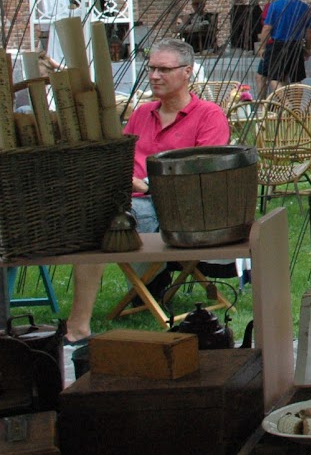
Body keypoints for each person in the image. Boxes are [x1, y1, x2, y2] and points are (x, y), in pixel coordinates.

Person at [65, 38, 231, 343]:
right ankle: (147, 284)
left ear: (187, 73)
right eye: (152, 68)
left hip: (180, 211)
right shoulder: (142, 114)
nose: (154, 75)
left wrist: (144, 185)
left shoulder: (209, 116)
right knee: (92, 216)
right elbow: (122, 162)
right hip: (130, 202)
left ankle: (79, 327)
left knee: (99, 225)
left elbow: (204, 176)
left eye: (164, 69)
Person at [257, 0, 311, 96]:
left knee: (275, 79)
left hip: (278, 46)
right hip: (296, 45)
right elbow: (309, 31)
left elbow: (267, 28)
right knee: (296, 80)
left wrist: (262, 47)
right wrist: (308, 48)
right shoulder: (303, 7)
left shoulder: (274, 6)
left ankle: (286, 104)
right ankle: (296, 109)